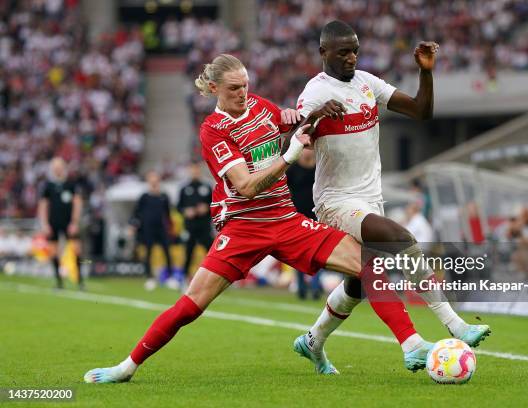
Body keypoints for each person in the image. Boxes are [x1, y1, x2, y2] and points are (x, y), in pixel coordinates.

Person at [83, 54, 436, 384]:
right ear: (213, 89)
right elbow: (247, 186)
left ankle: (411, 345)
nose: (242, 93)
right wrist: (291, 152)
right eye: (234, 88)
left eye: (245, 85)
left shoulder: (260, 107)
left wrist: (306, 120)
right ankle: (126, 368)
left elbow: (290, 124)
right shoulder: (214, 130)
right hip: (243, 227)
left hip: (285, 219)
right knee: (190, 306)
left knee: (368, 264)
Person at [292, 21, 490, 372]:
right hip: (335, 201)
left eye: (355, 49)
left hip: (370, 198)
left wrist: (425, 73)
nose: (352, 57)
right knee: (401, 238)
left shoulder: (368, 83)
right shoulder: (316, 91)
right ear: (323, 53)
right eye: (343, 51)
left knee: (359, 283)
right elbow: (293, 139)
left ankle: (313, 341)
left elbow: (421, 110)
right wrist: (314, 118)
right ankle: (453, 325)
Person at [38, 157, 85, 290]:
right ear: (52, 169)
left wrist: (75, 222)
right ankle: (59, 282)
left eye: (60, 166)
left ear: (64, 168)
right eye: (55, 166)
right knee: (53, 252)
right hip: (53, 223)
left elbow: (77, 203)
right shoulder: (48, 186)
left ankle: (80, 280)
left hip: (69, 223)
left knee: (77, 250)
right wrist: (45, 223)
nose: (57, 169)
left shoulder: (71, 184)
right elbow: (43, 205)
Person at [286, 148, 322, 300]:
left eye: (310, 149)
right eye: (305, 150)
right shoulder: (293, 170)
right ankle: (301, 286)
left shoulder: (319, 168)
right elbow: (286, 190)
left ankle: (315, 286)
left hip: (317, 215)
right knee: (299, 253)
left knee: (318, 253)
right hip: (298, 216)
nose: (308, 153)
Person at [131, 170, 173, 290]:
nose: (154, 180)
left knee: (167, 251)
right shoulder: (144, 197)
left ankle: (169, 277)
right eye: (151, 178)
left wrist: (170, 227)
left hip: (161, 228)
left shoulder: (164, 196)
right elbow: (136, 213)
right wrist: (133, 225)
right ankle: (150, 278)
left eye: (155, 178)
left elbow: (168, 214)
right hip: (148, 229)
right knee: (149, 253)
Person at [177, 162, 213, 287]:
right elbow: (179, 207)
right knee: (188, 253)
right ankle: (184, 279)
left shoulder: (207, 187)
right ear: (189, 171)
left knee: (211, 254)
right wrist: (186, 211)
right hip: (190, 227)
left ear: (200, 171)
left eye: (196, 169)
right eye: (192, 170)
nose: (194, 172)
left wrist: (207, 208)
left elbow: (215, 205)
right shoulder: (184, 188)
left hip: (204, 226)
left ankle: (214, 279)